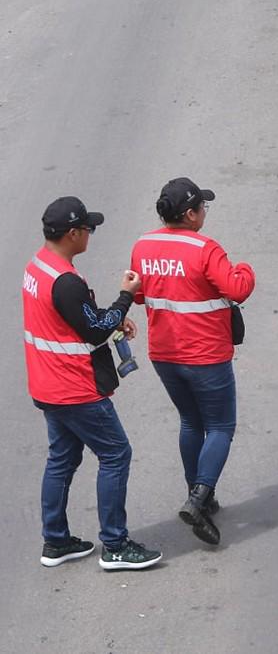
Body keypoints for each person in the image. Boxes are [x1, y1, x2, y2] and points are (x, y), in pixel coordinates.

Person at [23, 196, 163, 570]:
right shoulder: (65, 281)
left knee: (62, 460)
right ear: (72, 233)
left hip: (47, 385)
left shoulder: (39, 267)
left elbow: (73, 320)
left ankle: (55, 542)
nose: (90, 234)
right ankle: (115, 546)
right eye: (88, 228)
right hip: (75, 388)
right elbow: (94, 329)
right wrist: (125, 299)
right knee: (116, 454)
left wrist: (111, 317)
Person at [129, 178, 256, 546]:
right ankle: (199, 497)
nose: (204, 212)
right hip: (206, 356)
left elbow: (138, 296)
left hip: (165, 356)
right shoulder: (205, 249)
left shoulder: (144, 245)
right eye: (202, 207)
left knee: (190, 422)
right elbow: (237, 288)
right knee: (220, 427)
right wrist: (245, 268)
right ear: (190, 214)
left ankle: (199, 493)